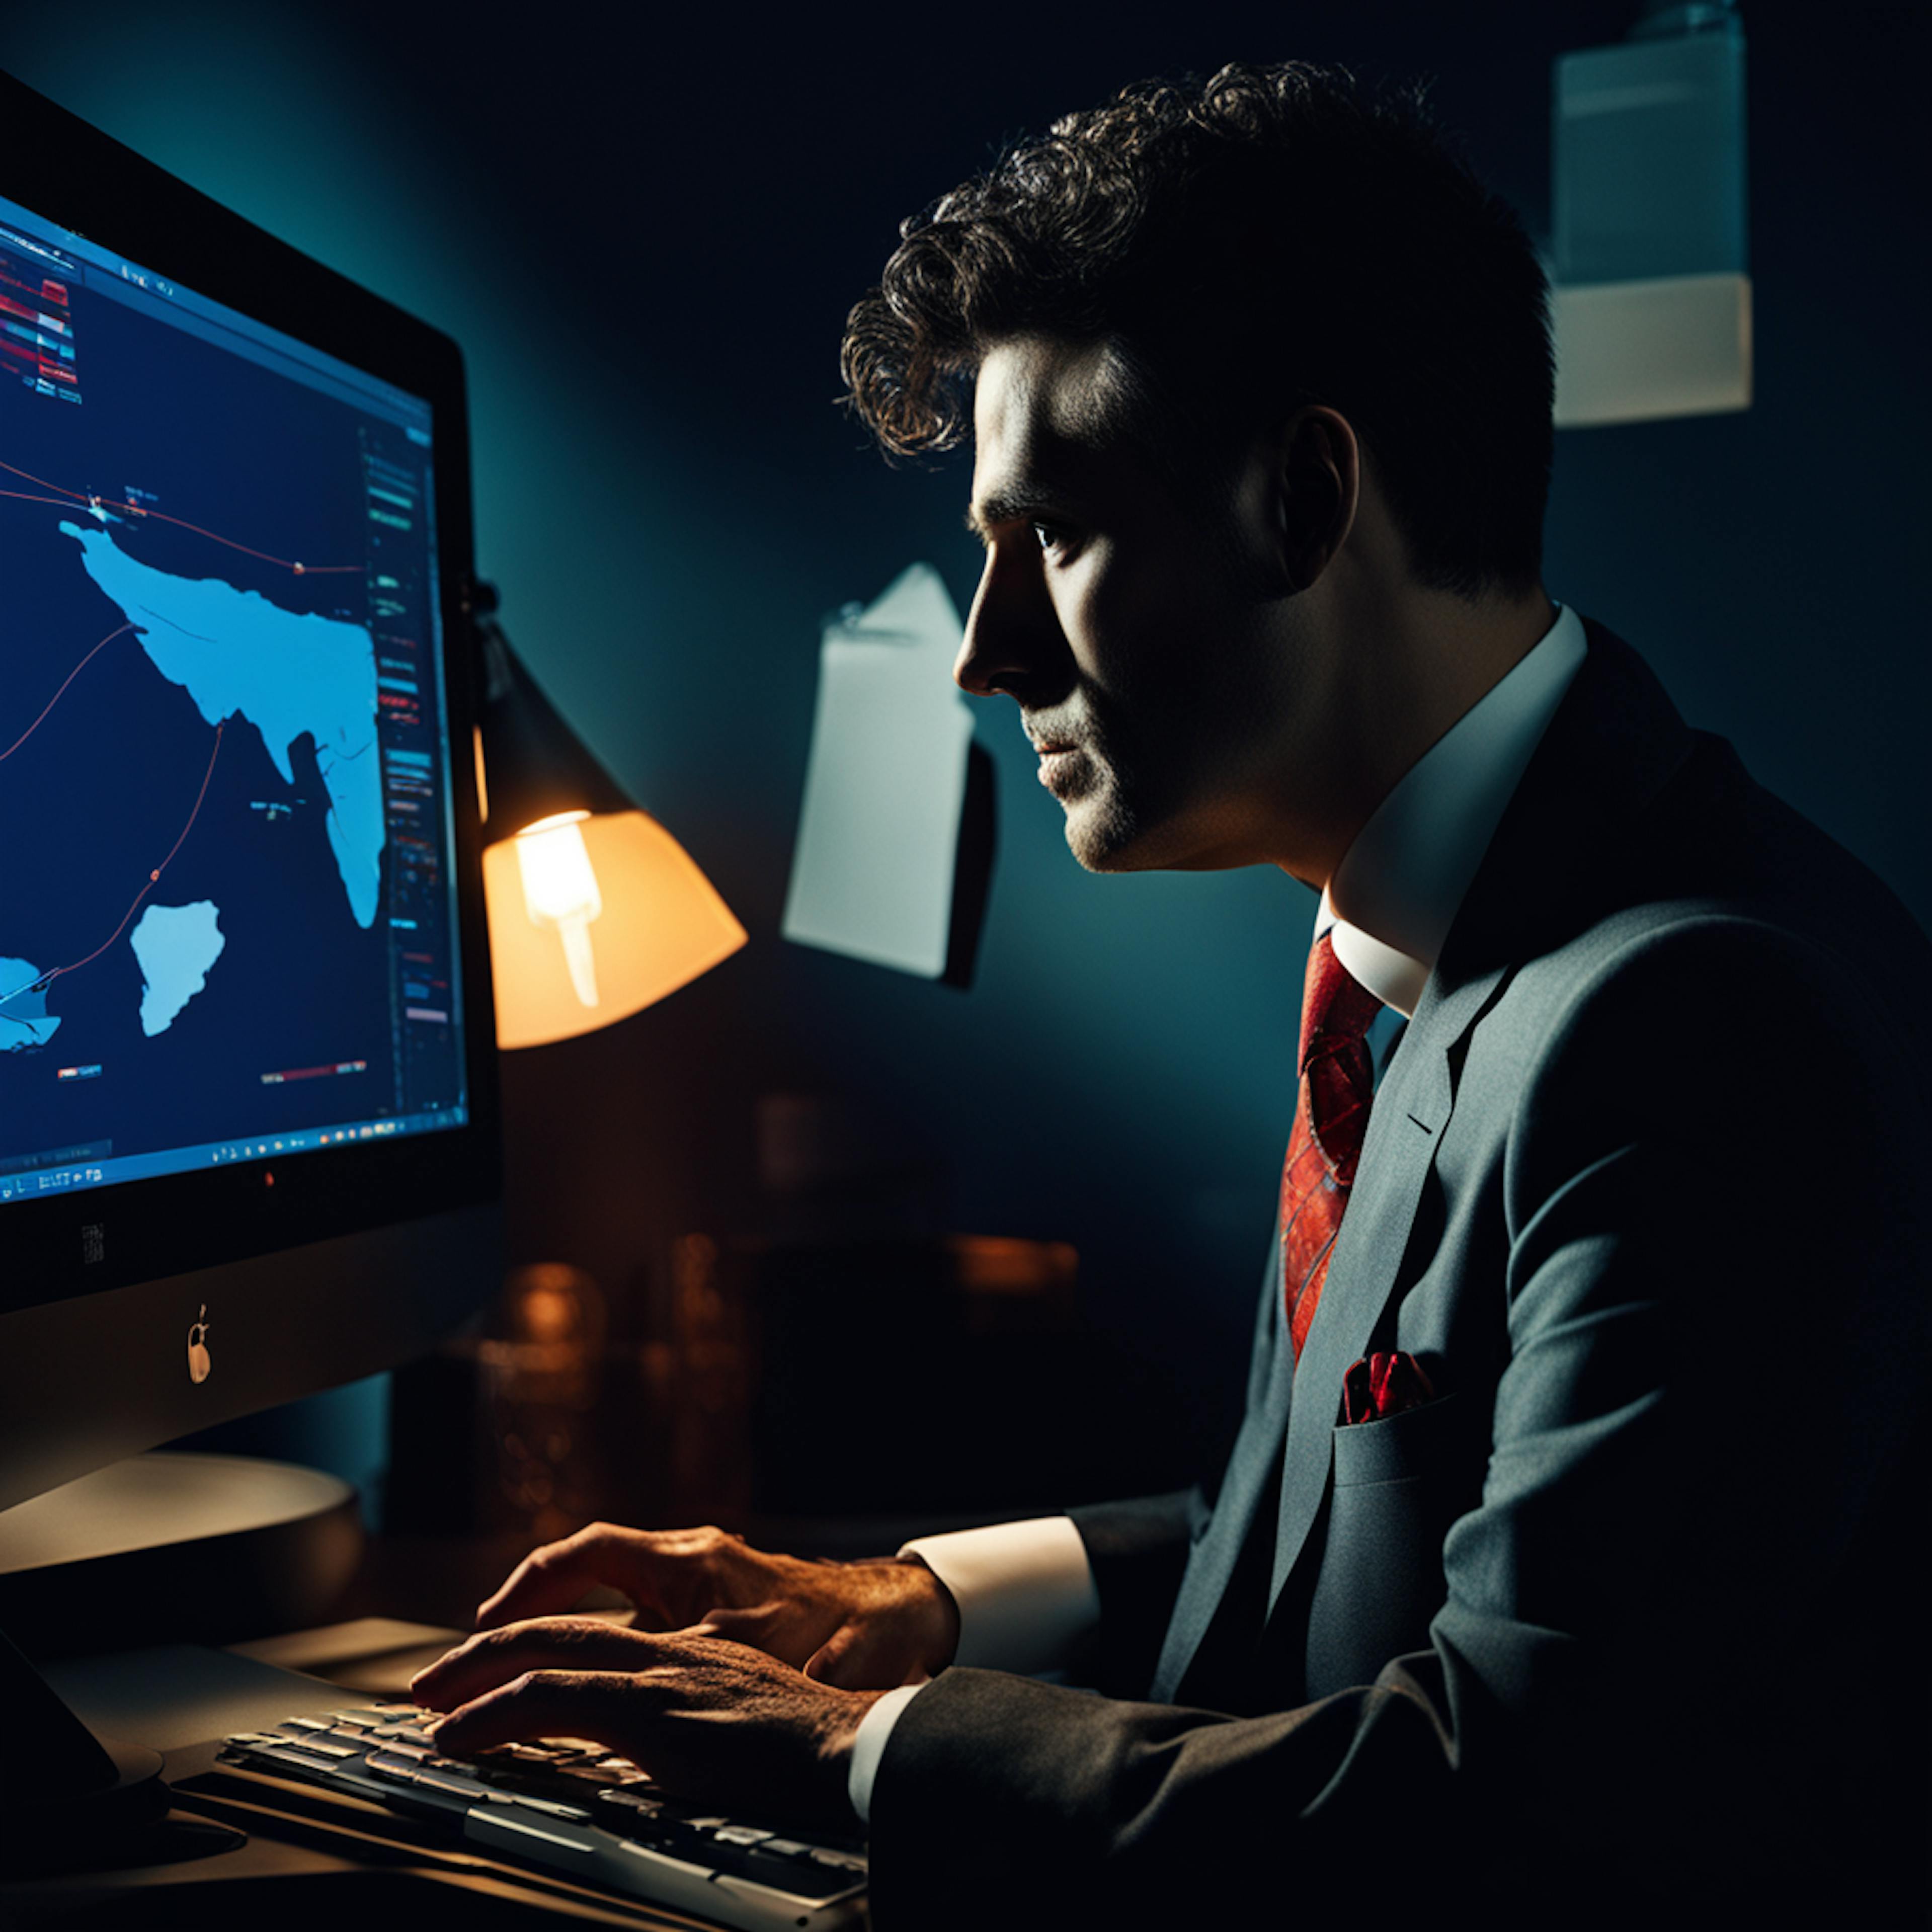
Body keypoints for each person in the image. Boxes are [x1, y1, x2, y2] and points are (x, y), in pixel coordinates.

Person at [411, 61, 1930, 1926]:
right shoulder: (1417, 940)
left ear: (1306, 497)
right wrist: (914, 1604)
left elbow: (1513, 1788)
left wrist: (847, 1747)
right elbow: (1348, 1547)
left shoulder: (1698, 1028)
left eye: (1045, 535)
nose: (983, 650)